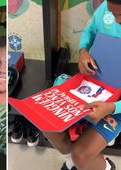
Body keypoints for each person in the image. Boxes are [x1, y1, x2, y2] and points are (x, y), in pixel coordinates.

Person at [44, 0, 121, 170]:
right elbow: (90, 31)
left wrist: (111, 108)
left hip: (117, 105)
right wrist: (83, 51)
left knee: (81, 154)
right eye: (111, 12)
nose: (115, 20)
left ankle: (106, 168)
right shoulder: (106, 8)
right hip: (93, 84)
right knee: (46, 120)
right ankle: (73, 163)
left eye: (120, 15)